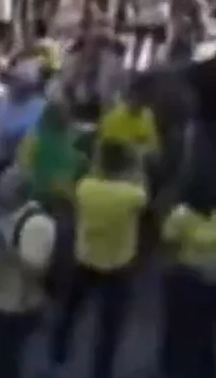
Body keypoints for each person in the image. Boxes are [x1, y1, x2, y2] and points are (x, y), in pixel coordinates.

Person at [49, 141, 147, 378]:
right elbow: (144, 193)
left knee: (70, 310)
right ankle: (101, 371)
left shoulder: (85, 188)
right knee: (109, 326)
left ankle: (58, 350)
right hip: (118, 265)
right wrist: (137, 166)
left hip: (85, 258)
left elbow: (81, 187)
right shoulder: (132, 195)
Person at [0, 168, 56, 378]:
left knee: (5, 365)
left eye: (3, 187)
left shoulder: (37, 225)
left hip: (14, 311)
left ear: (18, 193)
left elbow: (36, 271)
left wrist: (4, 247)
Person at [159, 180, 216, 378]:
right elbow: (170, 244)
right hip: (186, 277)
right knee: (181, 326)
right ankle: (173, 365)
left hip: (204, 280)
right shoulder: (182, 215)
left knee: (203, 329)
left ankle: (198, 367)